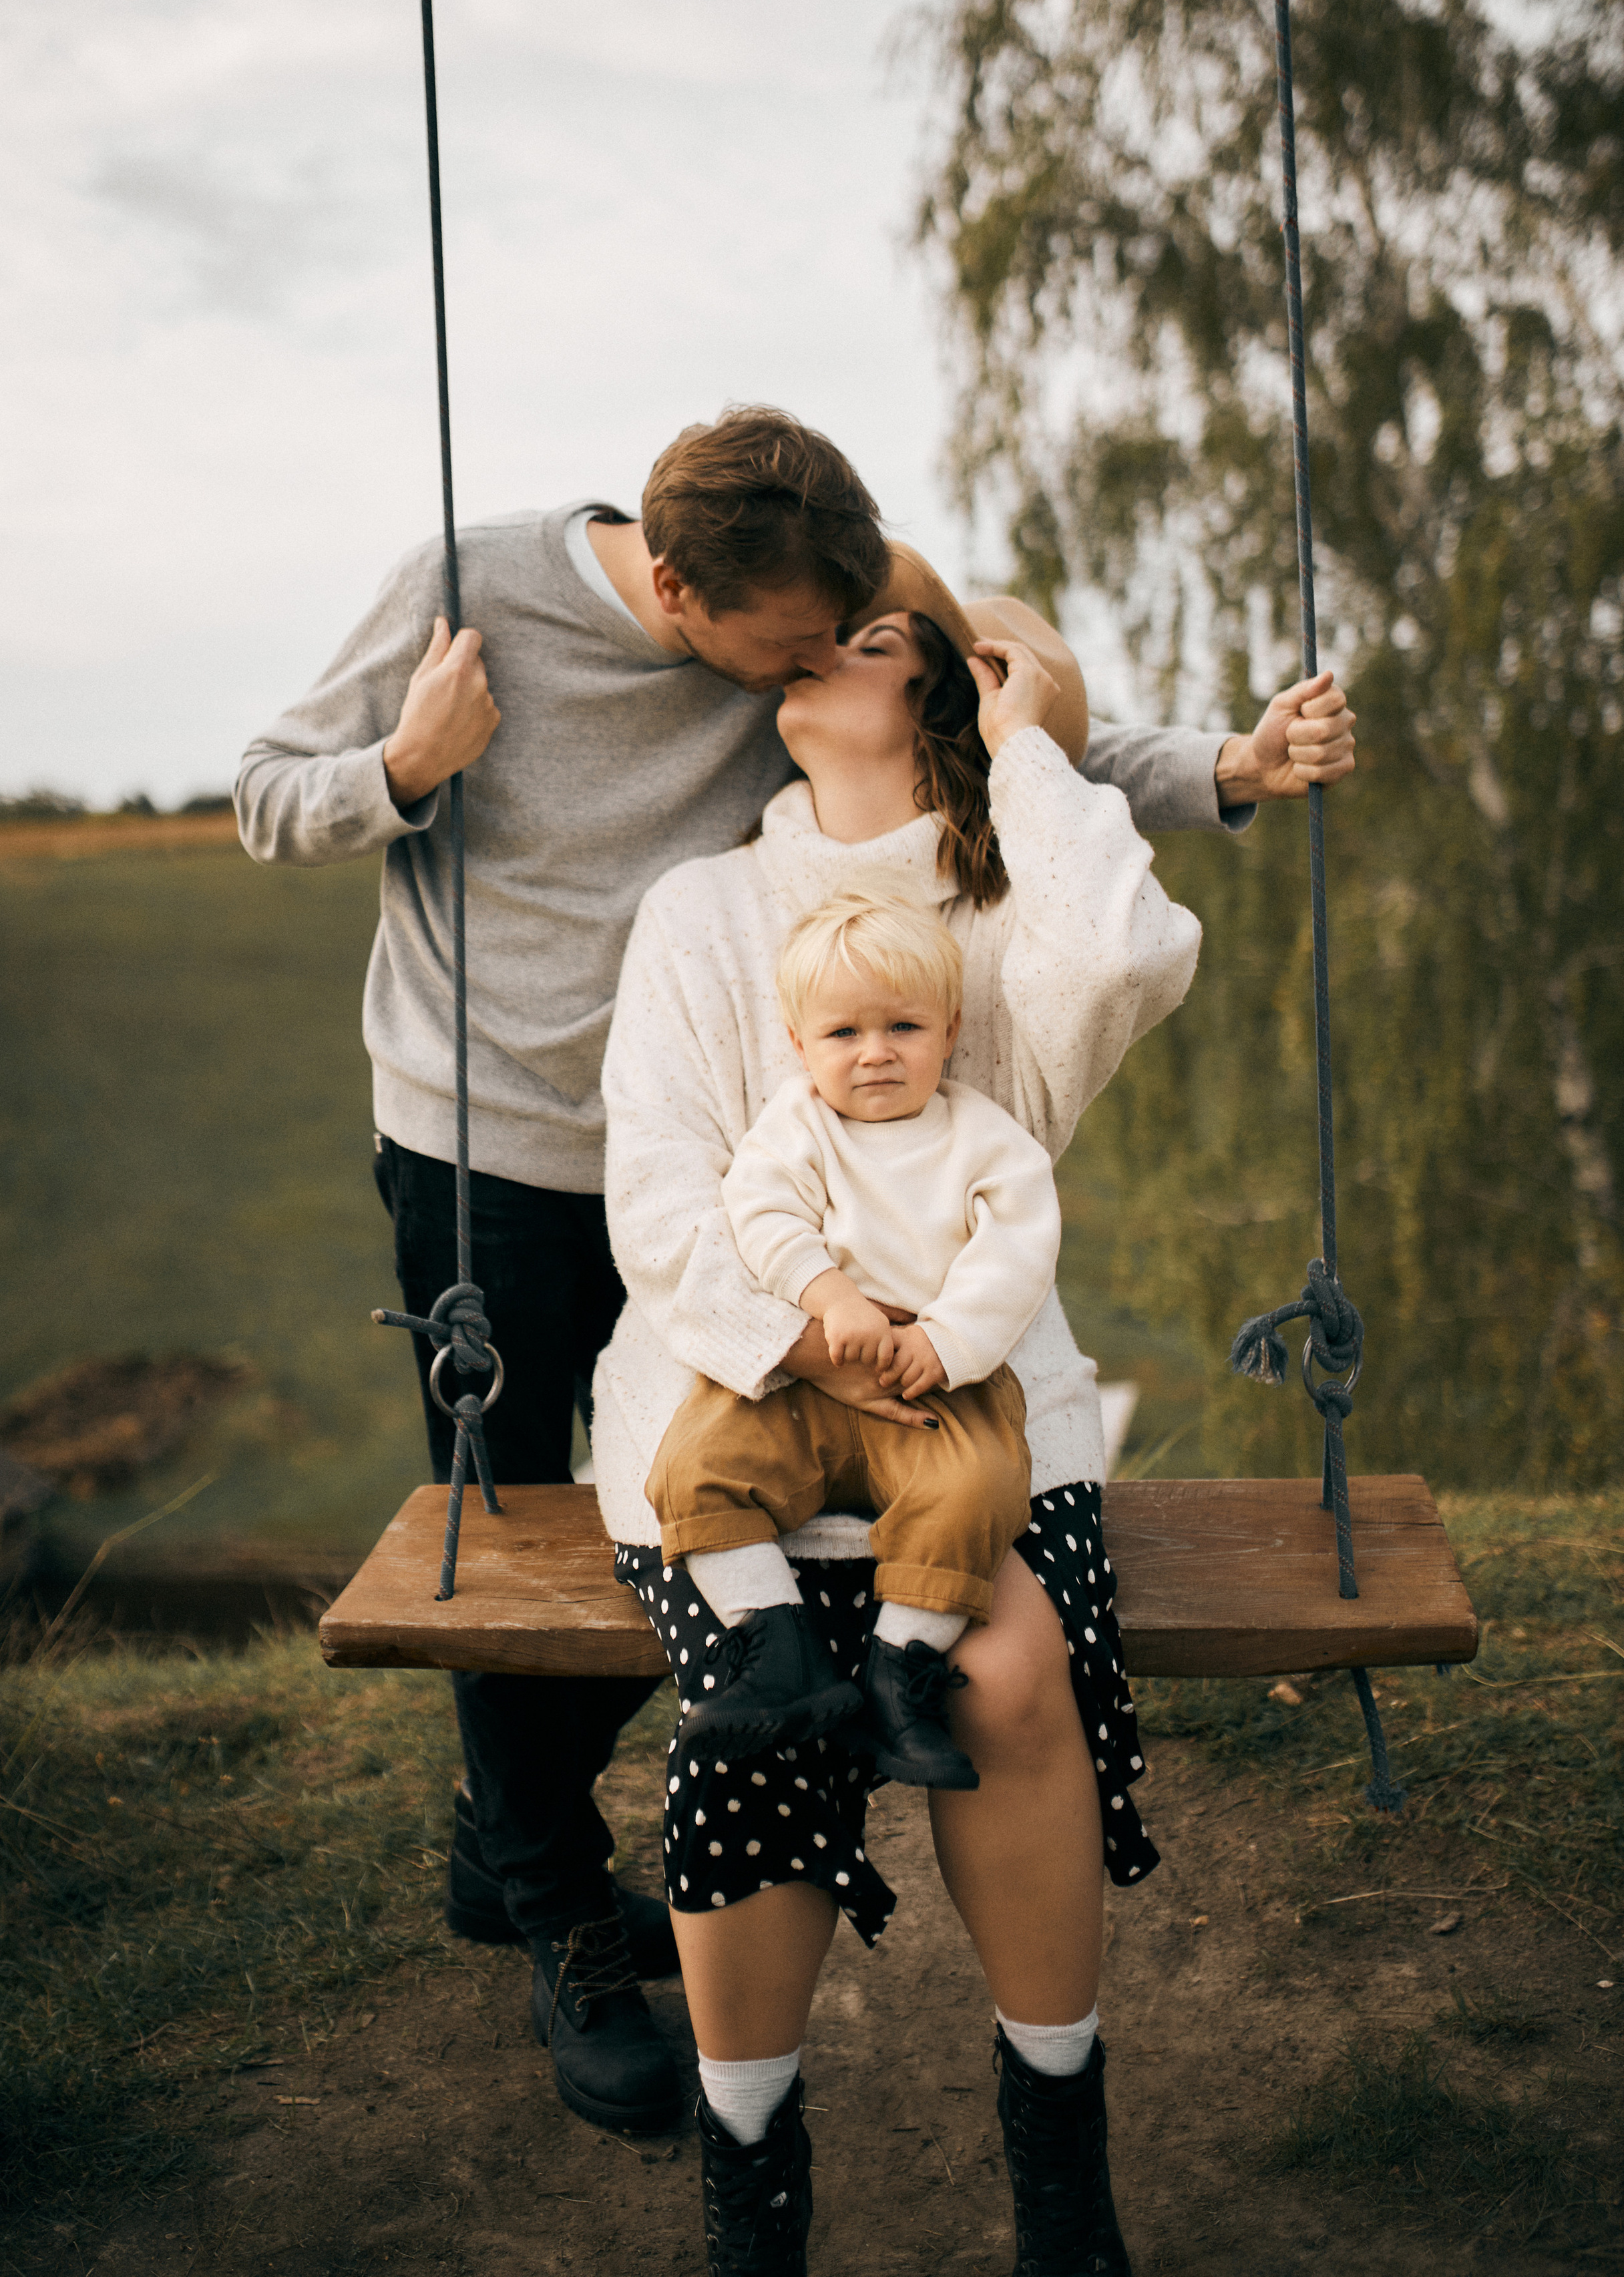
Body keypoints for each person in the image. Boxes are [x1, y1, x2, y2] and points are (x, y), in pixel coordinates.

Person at [233, 407, 1356, 2140]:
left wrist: (1212, 763)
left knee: (730, 1542)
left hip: (794, 1190)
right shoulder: (487, 618)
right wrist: (404, 765)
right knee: (530, 1507)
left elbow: (1000, 720)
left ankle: (553, 1844)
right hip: (501, 1143)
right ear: (681, 599)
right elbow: (265, 794)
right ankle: (549, 1901)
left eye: (853, 639)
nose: (819, 655)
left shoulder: (813, 615)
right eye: (796, 646)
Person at [592, 549, 1227, 2273]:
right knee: (757, 1708)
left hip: (971, 1387)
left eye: (876, 638)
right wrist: (807, 1334)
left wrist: (1036, 743)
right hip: (732, 1392)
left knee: (1010, 1668)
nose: (812, 653)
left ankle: (1061, 2157)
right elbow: (653, 1196)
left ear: (949, 690)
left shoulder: (1011, 912)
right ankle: (751, 2176)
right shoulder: (701, 913)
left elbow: (1133, 946)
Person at [650, 889, 1061, 1788]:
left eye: (903, 1027)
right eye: (844, 1034)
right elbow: (759, 1214)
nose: (875, 1052)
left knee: (979, 1488)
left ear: (949, 1031)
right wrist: (825, 1293)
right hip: (810, 1363)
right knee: (695, 1465)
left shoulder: (985, 1140)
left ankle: (894, 1673)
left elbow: (1016, 1253)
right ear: (800, 1045)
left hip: (931, 1374)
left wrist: (949, 1340)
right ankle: (778, 1648)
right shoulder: (795, 1127)